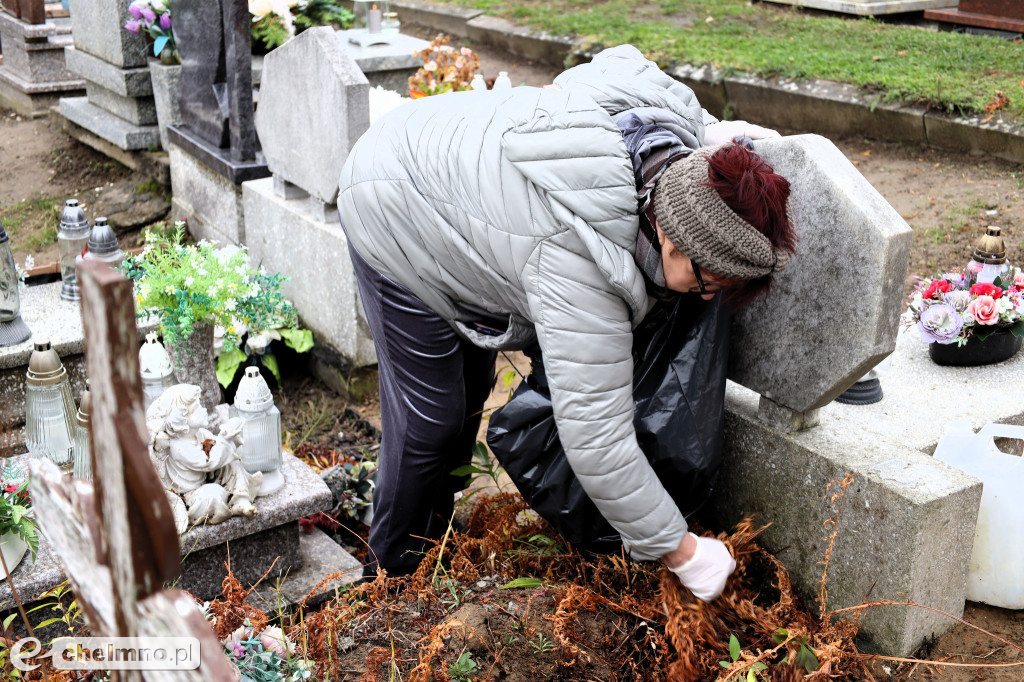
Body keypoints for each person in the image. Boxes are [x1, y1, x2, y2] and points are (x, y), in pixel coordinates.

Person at [338, 45, 797, 602]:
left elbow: (617, 60)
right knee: (431, 419)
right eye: (709, 284)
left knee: (470, 391)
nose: (709, 298)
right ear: (670, 239)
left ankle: (433, 539)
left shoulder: (671, 132)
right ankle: (392, 580)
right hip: (392, 202)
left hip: (465, 182)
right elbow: (597, 439)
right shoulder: (579, 262)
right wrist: (684, 552)